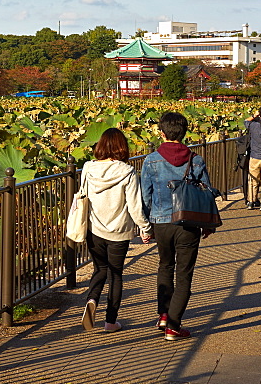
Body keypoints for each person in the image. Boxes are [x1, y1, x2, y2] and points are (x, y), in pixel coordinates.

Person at [141, 111, 213, 340]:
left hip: (160, 222)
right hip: (188, 222)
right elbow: (206, 193)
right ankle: (173, 325)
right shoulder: (196, 159)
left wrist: (147, 225)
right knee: (184, 274)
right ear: (184, 133)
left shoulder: (150, 160)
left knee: (164, 267)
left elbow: (145, 196)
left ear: (161, 133)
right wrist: (209, 224)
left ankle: (163, 315)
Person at [79, 128, 152, 333]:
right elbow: (134, 206)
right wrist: (145, 229)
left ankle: (92, 299)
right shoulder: (127, 171)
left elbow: (83, 195)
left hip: (94, 229)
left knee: (99, 269)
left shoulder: (87, 168)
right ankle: (110, 322)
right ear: (122, 147)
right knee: (116, 274)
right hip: (119, 231)